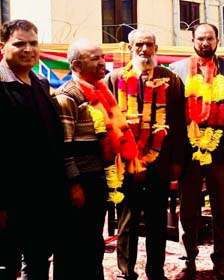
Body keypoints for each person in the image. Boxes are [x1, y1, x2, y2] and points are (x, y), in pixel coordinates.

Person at [56, 39, 141, 279]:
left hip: (98, 178)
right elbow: (64, 148)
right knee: (73, 245)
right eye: (95, 58)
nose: (103, 62)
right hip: (80, 182)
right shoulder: (67, 96)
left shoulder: (100, 91)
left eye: (102, 57)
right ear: (76, 65)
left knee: (93, 242)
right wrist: (74, 185)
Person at [106, 29, 187, 280]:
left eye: (149, 45)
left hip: (159, 161)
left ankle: (155, 271)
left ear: (156, 48)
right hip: (125, 163)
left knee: (156, 221)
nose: (144, 49)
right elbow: (107, 123)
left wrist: (177, 161)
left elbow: (179, 124)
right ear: (130, 48)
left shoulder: (170, 79)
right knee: (127, 220)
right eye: (139, 44)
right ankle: (126, 272)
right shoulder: (114, 79)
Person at [171, 23, 224, 280]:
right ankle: (187, 260)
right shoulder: (177, 70)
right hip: (188, 153)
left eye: (209, 38)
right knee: (188, 208)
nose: (205, 42)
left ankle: (221, 260)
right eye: (200, 38)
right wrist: (176, 156)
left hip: (220, 152)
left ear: (217, 41)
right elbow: (174, 117)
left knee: (221, 208)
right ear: (192, 40)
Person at [0, 20, 66, 280]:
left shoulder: (41, 83)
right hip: (9, 197)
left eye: (33, 43)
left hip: (42, 195)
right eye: (20, 44)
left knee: (38, 260)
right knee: (6, 265)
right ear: (3, 47)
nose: (28, 49)